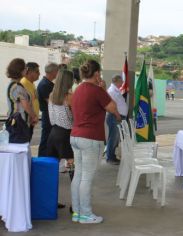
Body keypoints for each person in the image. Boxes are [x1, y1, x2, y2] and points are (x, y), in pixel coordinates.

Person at [70, 60, 121, 224]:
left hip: (75, 136)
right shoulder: (96, 90)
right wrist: (102, 88)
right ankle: (85, 214)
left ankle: (77, 212)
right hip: (90, 138)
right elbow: (113, 107)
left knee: (78, 175)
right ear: (97, 73)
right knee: (87, 177)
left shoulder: (77, 90)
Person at [47, 70, 74, 209]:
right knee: (73, 171)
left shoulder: (52, 96)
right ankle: (75, 204)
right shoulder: (69, 97)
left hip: (54, 133)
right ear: (69, 82)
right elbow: (76, 117)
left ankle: (50, 201)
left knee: (52, 170)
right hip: (66, 135)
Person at [6, 58, 37, 133]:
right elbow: (25, 104)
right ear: (20, 70)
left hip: (19, 122)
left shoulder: (15, 85)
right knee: (21, 143)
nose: (27, 70)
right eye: (25, 68)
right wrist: (34, 116)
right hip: (19, 123)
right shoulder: (17, 87)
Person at [37, 63, 59, 156]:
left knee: (50, 139)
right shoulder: (44, 84)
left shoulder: (49, 83)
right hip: (48, 114)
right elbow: (51, 102)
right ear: (53, 72)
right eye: (57, 71)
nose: (58, 73)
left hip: (50, 114)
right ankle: (42, 160)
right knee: (46, 139)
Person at [106, 74, 127, 165]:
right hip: (115, 116)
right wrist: (118, 115)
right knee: (113, 138)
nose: (122, 82)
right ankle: (110, 158)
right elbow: (112, 105)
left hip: (117, 117)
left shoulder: (116, 90)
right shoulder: (111, 91)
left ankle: (112, 156)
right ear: (117, 81)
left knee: (116, 138)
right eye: (121, 81)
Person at [21, 62, 40, 140]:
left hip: (31, 121)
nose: (39, 74)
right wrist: (33, 116)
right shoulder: (23, 83)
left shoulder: (31, 83)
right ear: (30, 72)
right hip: (26, 121)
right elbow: (24, 104)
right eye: (37, 71)